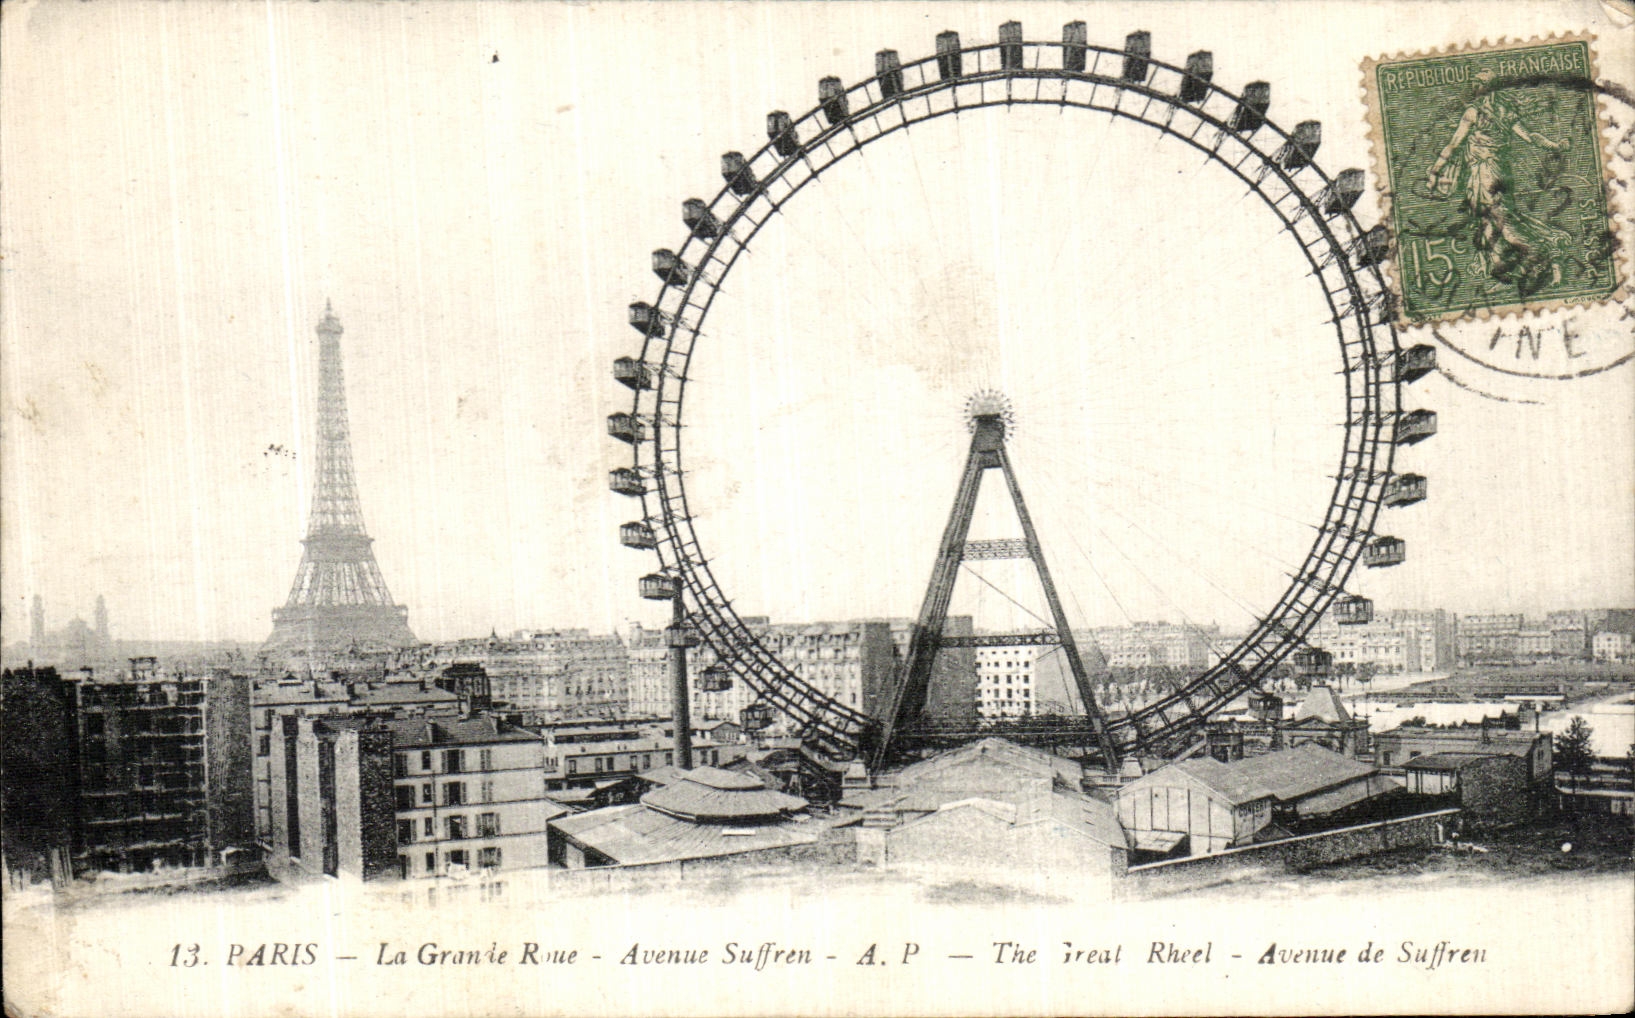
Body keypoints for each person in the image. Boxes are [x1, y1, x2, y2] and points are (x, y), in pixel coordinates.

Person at [1424, 68, 1578, 293]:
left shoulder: (1473, 113)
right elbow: (1530, 137)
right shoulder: (1506, 111)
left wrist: (1436, 169)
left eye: (1477, 84)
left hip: (1485, 174)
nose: (1475, 88)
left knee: (1501, 224)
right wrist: (1554, 146)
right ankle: (1505, 276)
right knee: (1489, 225)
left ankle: (1545, 252)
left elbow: (1454, 144)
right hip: (1499, 174)